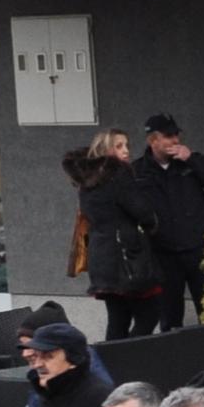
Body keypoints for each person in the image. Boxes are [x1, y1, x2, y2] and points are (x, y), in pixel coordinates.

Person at [68, 131, 172, 338]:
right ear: (105, 150)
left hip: (102, 259)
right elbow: (141, 210)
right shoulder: (118, 174)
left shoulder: (86, 180)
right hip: (127, 259)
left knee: (118, 318)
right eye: (118, 146)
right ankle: (130, 361)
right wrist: (152, 223)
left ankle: (113, 364)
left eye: (126, 145)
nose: (126, 151)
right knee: (148, 315)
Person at [137, 116, 204, 322]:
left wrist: (192, 160)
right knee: (169, 316)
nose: (175, 140)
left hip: (197, 250)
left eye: (176, 134)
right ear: (152, 140)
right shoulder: (138, 171)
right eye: (168, 136)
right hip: (162, 255)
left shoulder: (191, 163)